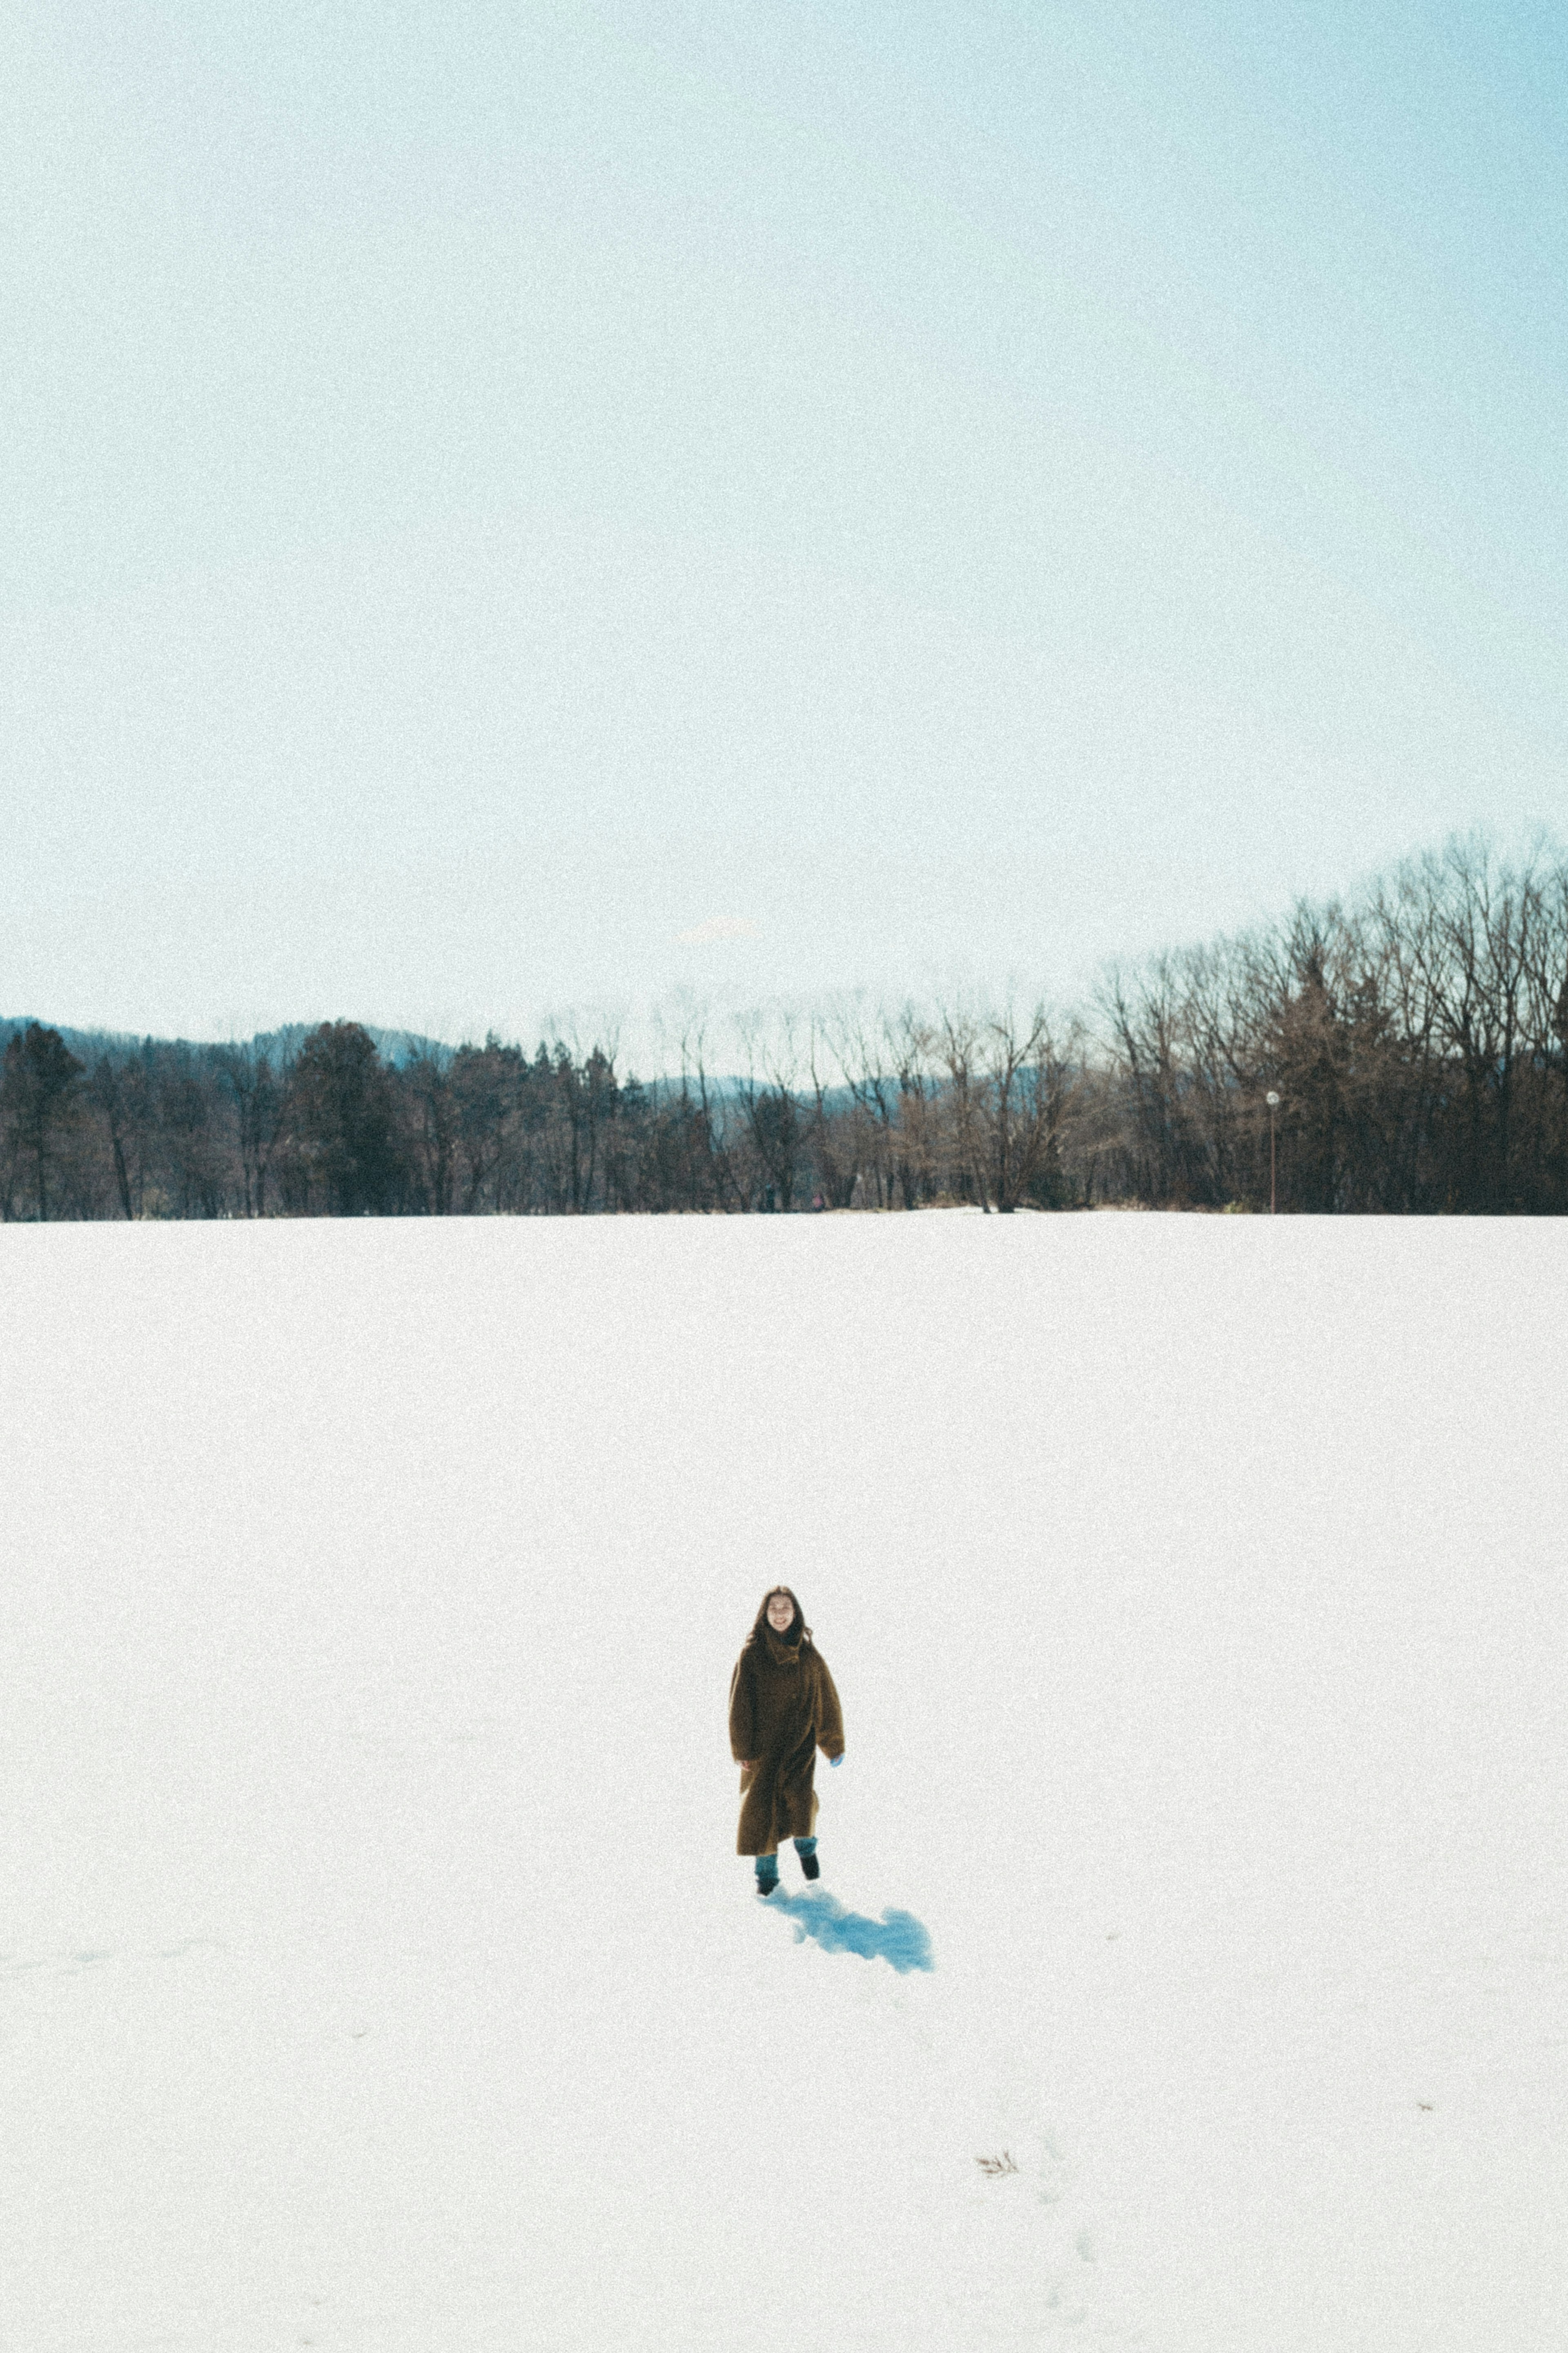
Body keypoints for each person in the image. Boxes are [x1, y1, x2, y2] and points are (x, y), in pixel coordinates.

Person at [729, 1586, 845, 1898]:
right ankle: (766, 1877)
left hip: (799, 1746)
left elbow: (827, 1701)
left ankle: (807, 1849)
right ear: (765, 1614)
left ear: (796, 1613)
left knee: (801, 1801)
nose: (780, 1613)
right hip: (762, 1751)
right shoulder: (752, 1653)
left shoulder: (808, 1655)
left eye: (786, 1608)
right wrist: (742, 1750)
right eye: (774, 1608)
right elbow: (740, 1705)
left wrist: (832, 1743)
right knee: (761, 1811)